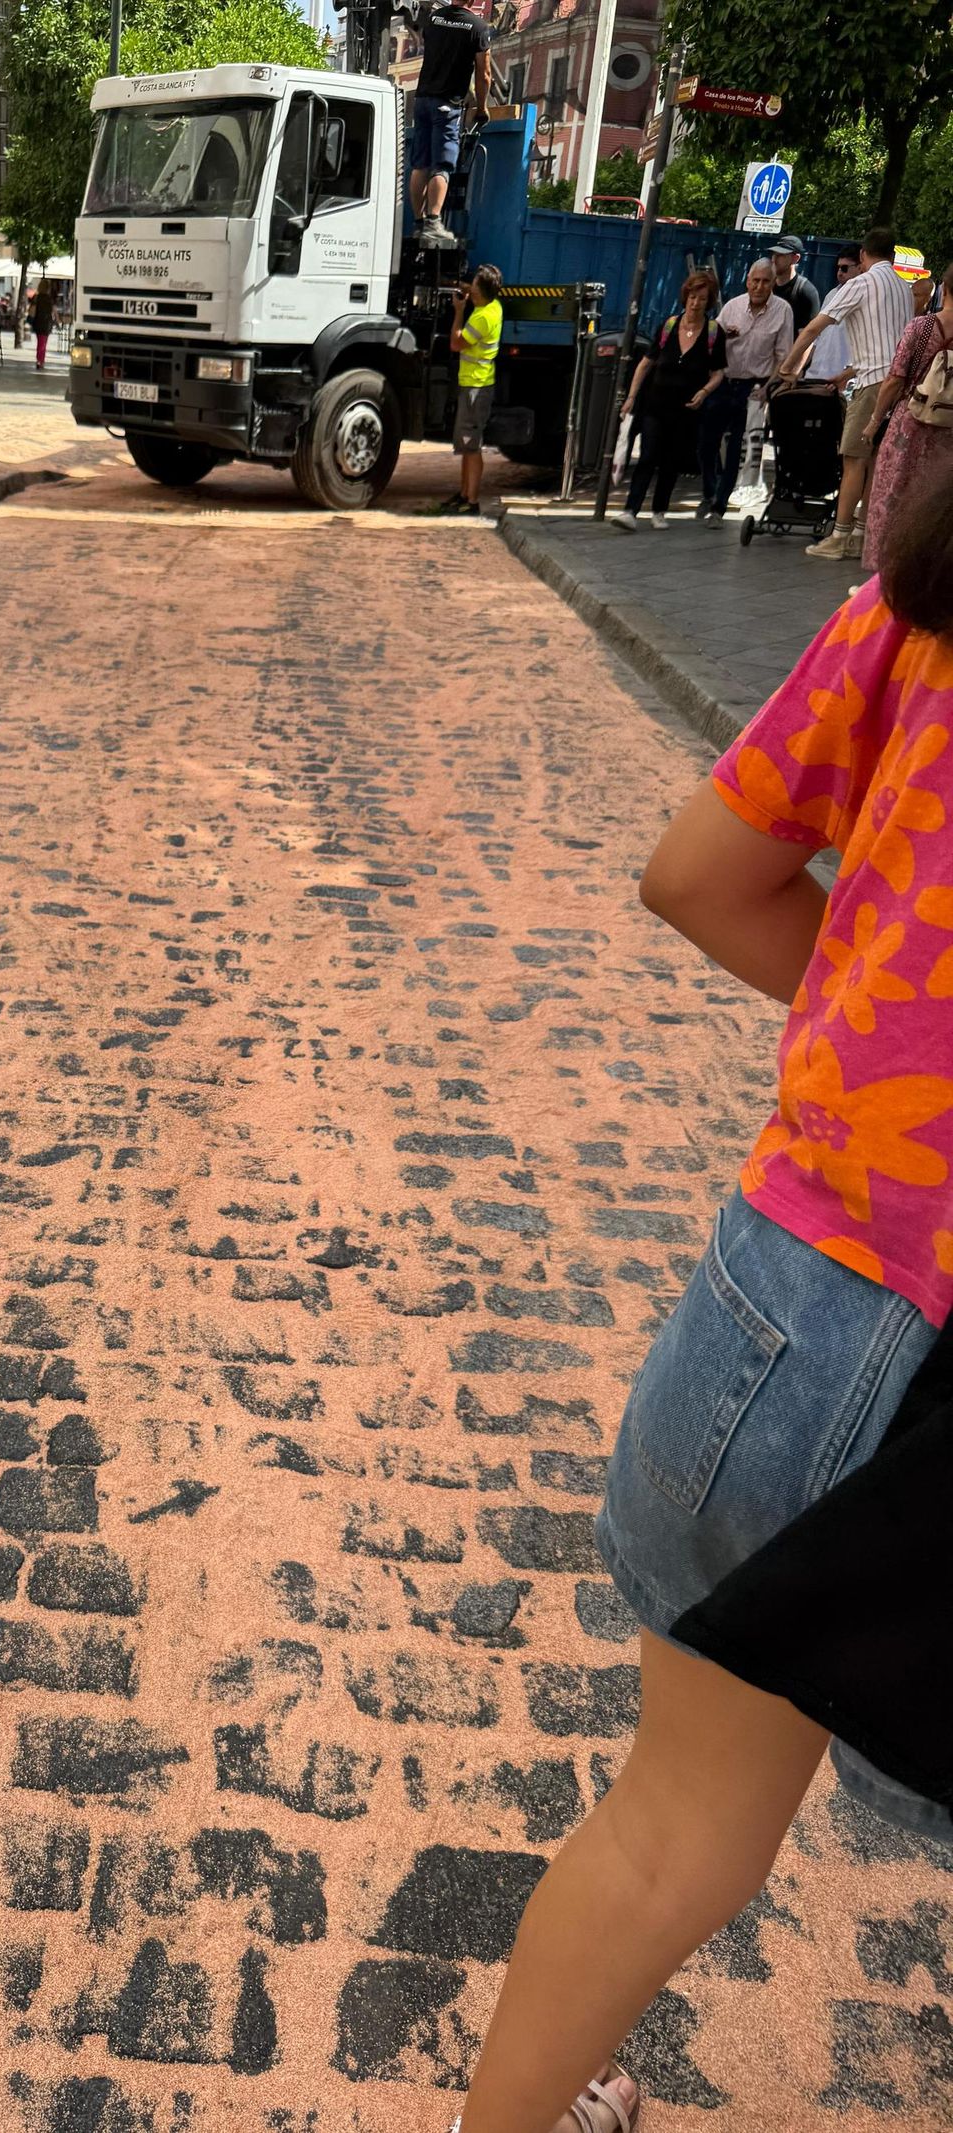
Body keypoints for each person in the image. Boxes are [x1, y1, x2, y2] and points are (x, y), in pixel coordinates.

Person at [447, 470, 953, 2133]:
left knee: (670, 1831)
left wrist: (892, 1051)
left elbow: (703, 871)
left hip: (779, 1295)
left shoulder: (913, 604)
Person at [781, 225, 913, 561]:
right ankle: (860, 532)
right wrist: (849, 370)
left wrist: (789, 365)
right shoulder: (903, 288)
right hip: (898, 385)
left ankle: (838, 537)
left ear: (864, 256)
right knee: (874, 462)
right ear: (894, 254)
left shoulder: (860, 283)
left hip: (871, 386)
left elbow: (815, 326)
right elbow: (892, 344)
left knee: (853, 460)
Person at [860, 258, 953, 573]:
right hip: (949, 432)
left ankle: (885, 572)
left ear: (945, 289)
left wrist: (875, 420)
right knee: (935, 506)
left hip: (910, 424)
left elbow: (895, 378)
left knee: (893, 496)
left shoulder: (921, 327)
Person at [612, 271, 725, 530]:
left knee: (671, 460)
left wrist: (704, 391)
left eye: (702, 299)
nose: (695, 303)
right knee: (648, 455)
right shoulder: (669, 326)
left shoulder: (713, 333)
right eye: (692, 297)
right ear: (685, 296)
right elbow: (646, 363)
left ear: (709, 302)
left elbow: (718, 372)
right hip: (656, 403)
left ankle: (659, 510)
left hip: (687, 409)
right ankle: (630, 510)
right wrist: (631, 397)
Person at [696, 256, 791, 520]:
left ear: (773, 284)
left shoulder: (783, 311)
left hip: (753, 386)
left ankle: (719, 506)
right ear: (747, 281)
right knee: (706, 444)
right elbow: (713, 346)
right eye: (755, 281)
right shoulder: (732, 308)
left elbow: (783, 356)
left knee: (738, 447)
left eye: (765, 282)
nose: (759, 287)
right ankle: (708, 492)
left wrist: (768, 389)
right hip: (724, 382)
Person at [407, 0, 493, 249]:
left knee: (420, 164)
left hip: (422, 99)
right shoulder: (478, 27)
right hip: (447, 104)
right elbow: (484, 73)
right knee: (442, 166)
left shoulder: (434, 20)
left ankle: (418, 223)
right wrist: (482, 107)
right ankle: (434, 222)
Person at [439, 263, 503, 515]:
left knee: (472, 445)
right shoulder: (492, 306)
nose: (469, 284)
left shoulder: (481, 317)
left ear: (481, 290)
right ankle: (464, 493)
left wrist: (458, 311)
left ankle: (472, 502)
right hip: (475, 383)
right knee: (467, 444)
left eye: (473, 283)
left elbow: (456, 343)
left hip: (476, 386)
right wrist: (463, 289)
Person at [800, 247, 859, 385]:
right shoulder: (832, 294)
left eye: (844, 268)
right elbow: (817, 336)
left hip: (841, 380)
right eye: (837, 268)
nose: (839, 273)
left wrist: (848, 375)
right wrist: (801, 367)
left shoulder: (866, 299)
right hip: (815, 375)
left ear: (860, 267)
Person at [768, 234, 820, 331]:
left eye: (781, 255)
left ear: (795, 258)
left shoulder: (806, 291)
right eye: (774, 254)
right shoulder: (766, 286)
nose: (774, 259)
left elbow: (809, 335)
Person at [30, 279, 55, 370]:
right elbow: (53, 310)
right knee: (43, 342)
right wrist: (57, 320)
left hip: (38, 322)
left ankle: (39, 360)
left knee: (40, 342)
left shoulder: (36, 297)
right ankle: (41, 361)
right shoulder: (49, 298)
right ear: (48, 288)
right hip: (47, 322)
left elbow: (32, 309)